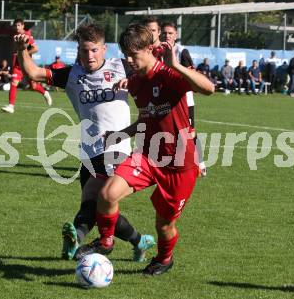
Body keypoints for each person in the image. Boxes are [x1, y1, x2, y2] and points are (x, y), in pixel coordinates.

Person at [75, 24, 215, 275]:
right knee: (107, 195)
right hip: (147, 156)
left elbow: (209, 89)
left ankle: (164, 259)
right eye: (126, 55)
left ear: (150, 49)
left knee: (164, 225)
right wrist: (121, 135)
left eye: (133, 55)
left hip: (180, 164)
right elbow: (146, 119)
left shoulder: (170, 75)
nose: (129, 61)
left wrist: (178, 66)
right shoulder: (137, 84)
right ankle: (106, 242)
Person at [14, 23, 155, 262]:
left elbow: (151, 70)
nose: (89, 56)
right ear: (78, 50)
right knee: (100, 207)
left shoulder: (122, 67)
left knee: (95, 199)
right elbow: (33, 73)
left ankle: (77, 238)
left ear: (104, 49)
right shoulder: (72, 74)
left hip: (116, 149)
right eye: (84, 50)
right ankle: (139, 241)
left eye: (94, 50)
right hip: (88, 152)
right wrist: (21, 51)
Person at [157, 20, 207, 177]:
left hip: (184, 100)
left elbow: (191, 74)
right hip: (164, 100)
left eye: (170, 33)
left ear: (176, 35)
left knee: (190, 132)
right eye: (164, 33)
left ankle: (200, 163)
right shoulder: (156, 51)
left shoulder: (182, 51)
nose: (167, 36)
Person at [1, 18, 52, 114]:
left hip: (26, 64)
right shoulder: (15, 36)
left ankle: (45, 93)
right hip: (17, 65)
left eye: (19, 25)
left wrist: (25, 54)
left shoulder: (27, 35)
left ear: (23, 26)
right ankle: (11, 106)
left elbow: (36, 48)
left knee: (33, 86)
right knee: (14, 82)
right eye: (15, 26)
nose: (17, 27)